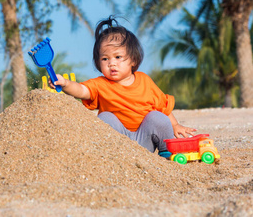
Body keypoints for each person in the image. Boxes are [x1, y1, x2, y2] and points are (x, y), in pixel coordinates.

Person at [50, 16, 196, 157]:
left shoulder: (144, 81)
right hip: (118, 142)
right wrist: (65, 83)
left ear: (133, 59)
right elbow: (82, 91)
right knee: (105, 117)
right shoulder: (100, 84)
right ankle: (110, 156)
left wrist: (175, 125)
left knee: (157, 117)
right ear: (98, 62)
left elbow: (163, 106)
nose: (111, 63)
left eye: (118, 57)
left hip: (145, 139)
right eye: (105, 58)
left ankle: (167, 151)